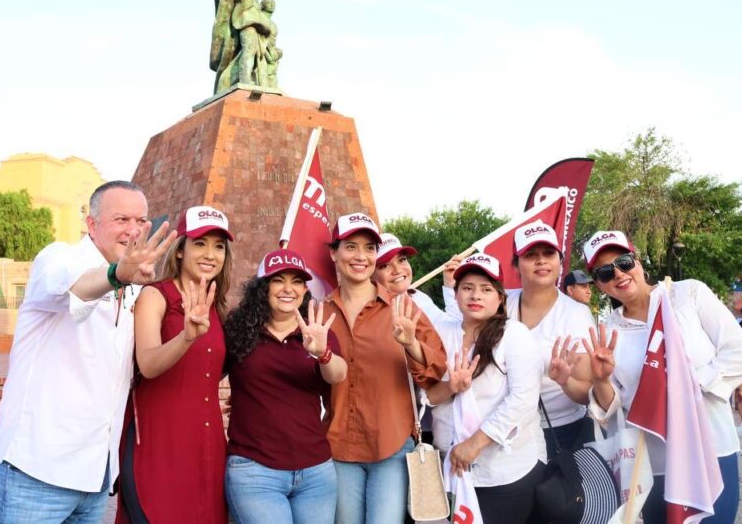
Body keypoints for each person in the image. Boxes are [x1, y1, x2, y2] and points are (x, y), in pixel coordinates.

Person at [0, 181, 176, 524]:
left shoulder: (133, 289)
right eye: (121, 219)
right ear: (92, 224)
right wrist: (117, 274)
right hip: (37, 472)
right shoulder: (59, 257)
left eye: (140, 221)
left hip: (95, 477)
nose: (133, 230)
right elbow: (76, 286)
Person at [583, 230, 742, 523]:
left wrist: (683, 386)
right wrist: (601, 379)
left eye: (624, 262)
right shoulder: (609, 330)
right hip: (655, 463)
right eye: (604, 272)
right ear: (599, 284)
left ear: (638, 261)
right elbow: (615, 409)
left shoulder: (688, 294)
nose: (618, 274)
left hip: (712, 449)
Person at [320, 213, 446, 524]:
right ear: (334, 253)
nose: (360, 256)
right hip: (339, 447)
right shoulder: (319, 312)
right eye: (351, 247)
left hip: (391, 445)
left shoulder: (402, 307)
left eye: (369, 248)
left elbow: (437, 367)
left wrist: (410, 343)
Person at [118, 206, 234, 523]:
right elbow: (148, 363)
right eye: (200, 243)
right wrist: (186, 336)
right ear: (180, 250)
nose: (210, 253)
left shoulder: (216, 305)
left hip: (207, 446)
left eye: (219, 246)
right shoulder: (156, 296)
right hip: (159, 443)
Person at [444, 221, 596, 451]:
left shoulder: (577, 314)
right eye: (530, 255)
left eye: (548, 253)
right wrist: (450, 286)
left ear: (559, 261)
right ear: (516, 264)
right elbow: (462, 327)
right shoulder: (501, 303)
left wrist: (565, 381)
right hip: (506, 430)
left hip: (562, 431)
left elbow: (586, 394)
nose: (541, 260)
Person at [223, 249, 348, 524]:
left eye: (297, 281)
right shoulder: (237, 330)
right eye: (279, 280)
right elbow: (204, 376)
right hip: (254, 471)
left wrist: (322, 352)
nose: (288, 289)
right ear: (262, 287)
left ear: (305, 289)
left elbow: (338, 374)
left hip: (315, 472)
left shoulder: (317, 331)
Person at [422, 253, 544, 523]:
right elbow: (425, 396)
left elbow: (523, 399)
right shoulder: (441, 332)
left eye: (486, 289)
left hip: (501, 473)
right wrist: (450, 387)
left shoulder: (514, 334)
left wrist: (474, 445)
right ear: (455, 295)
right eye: (467, 288)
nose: (475, 295)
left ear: (500, 298)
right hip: (449, 472)